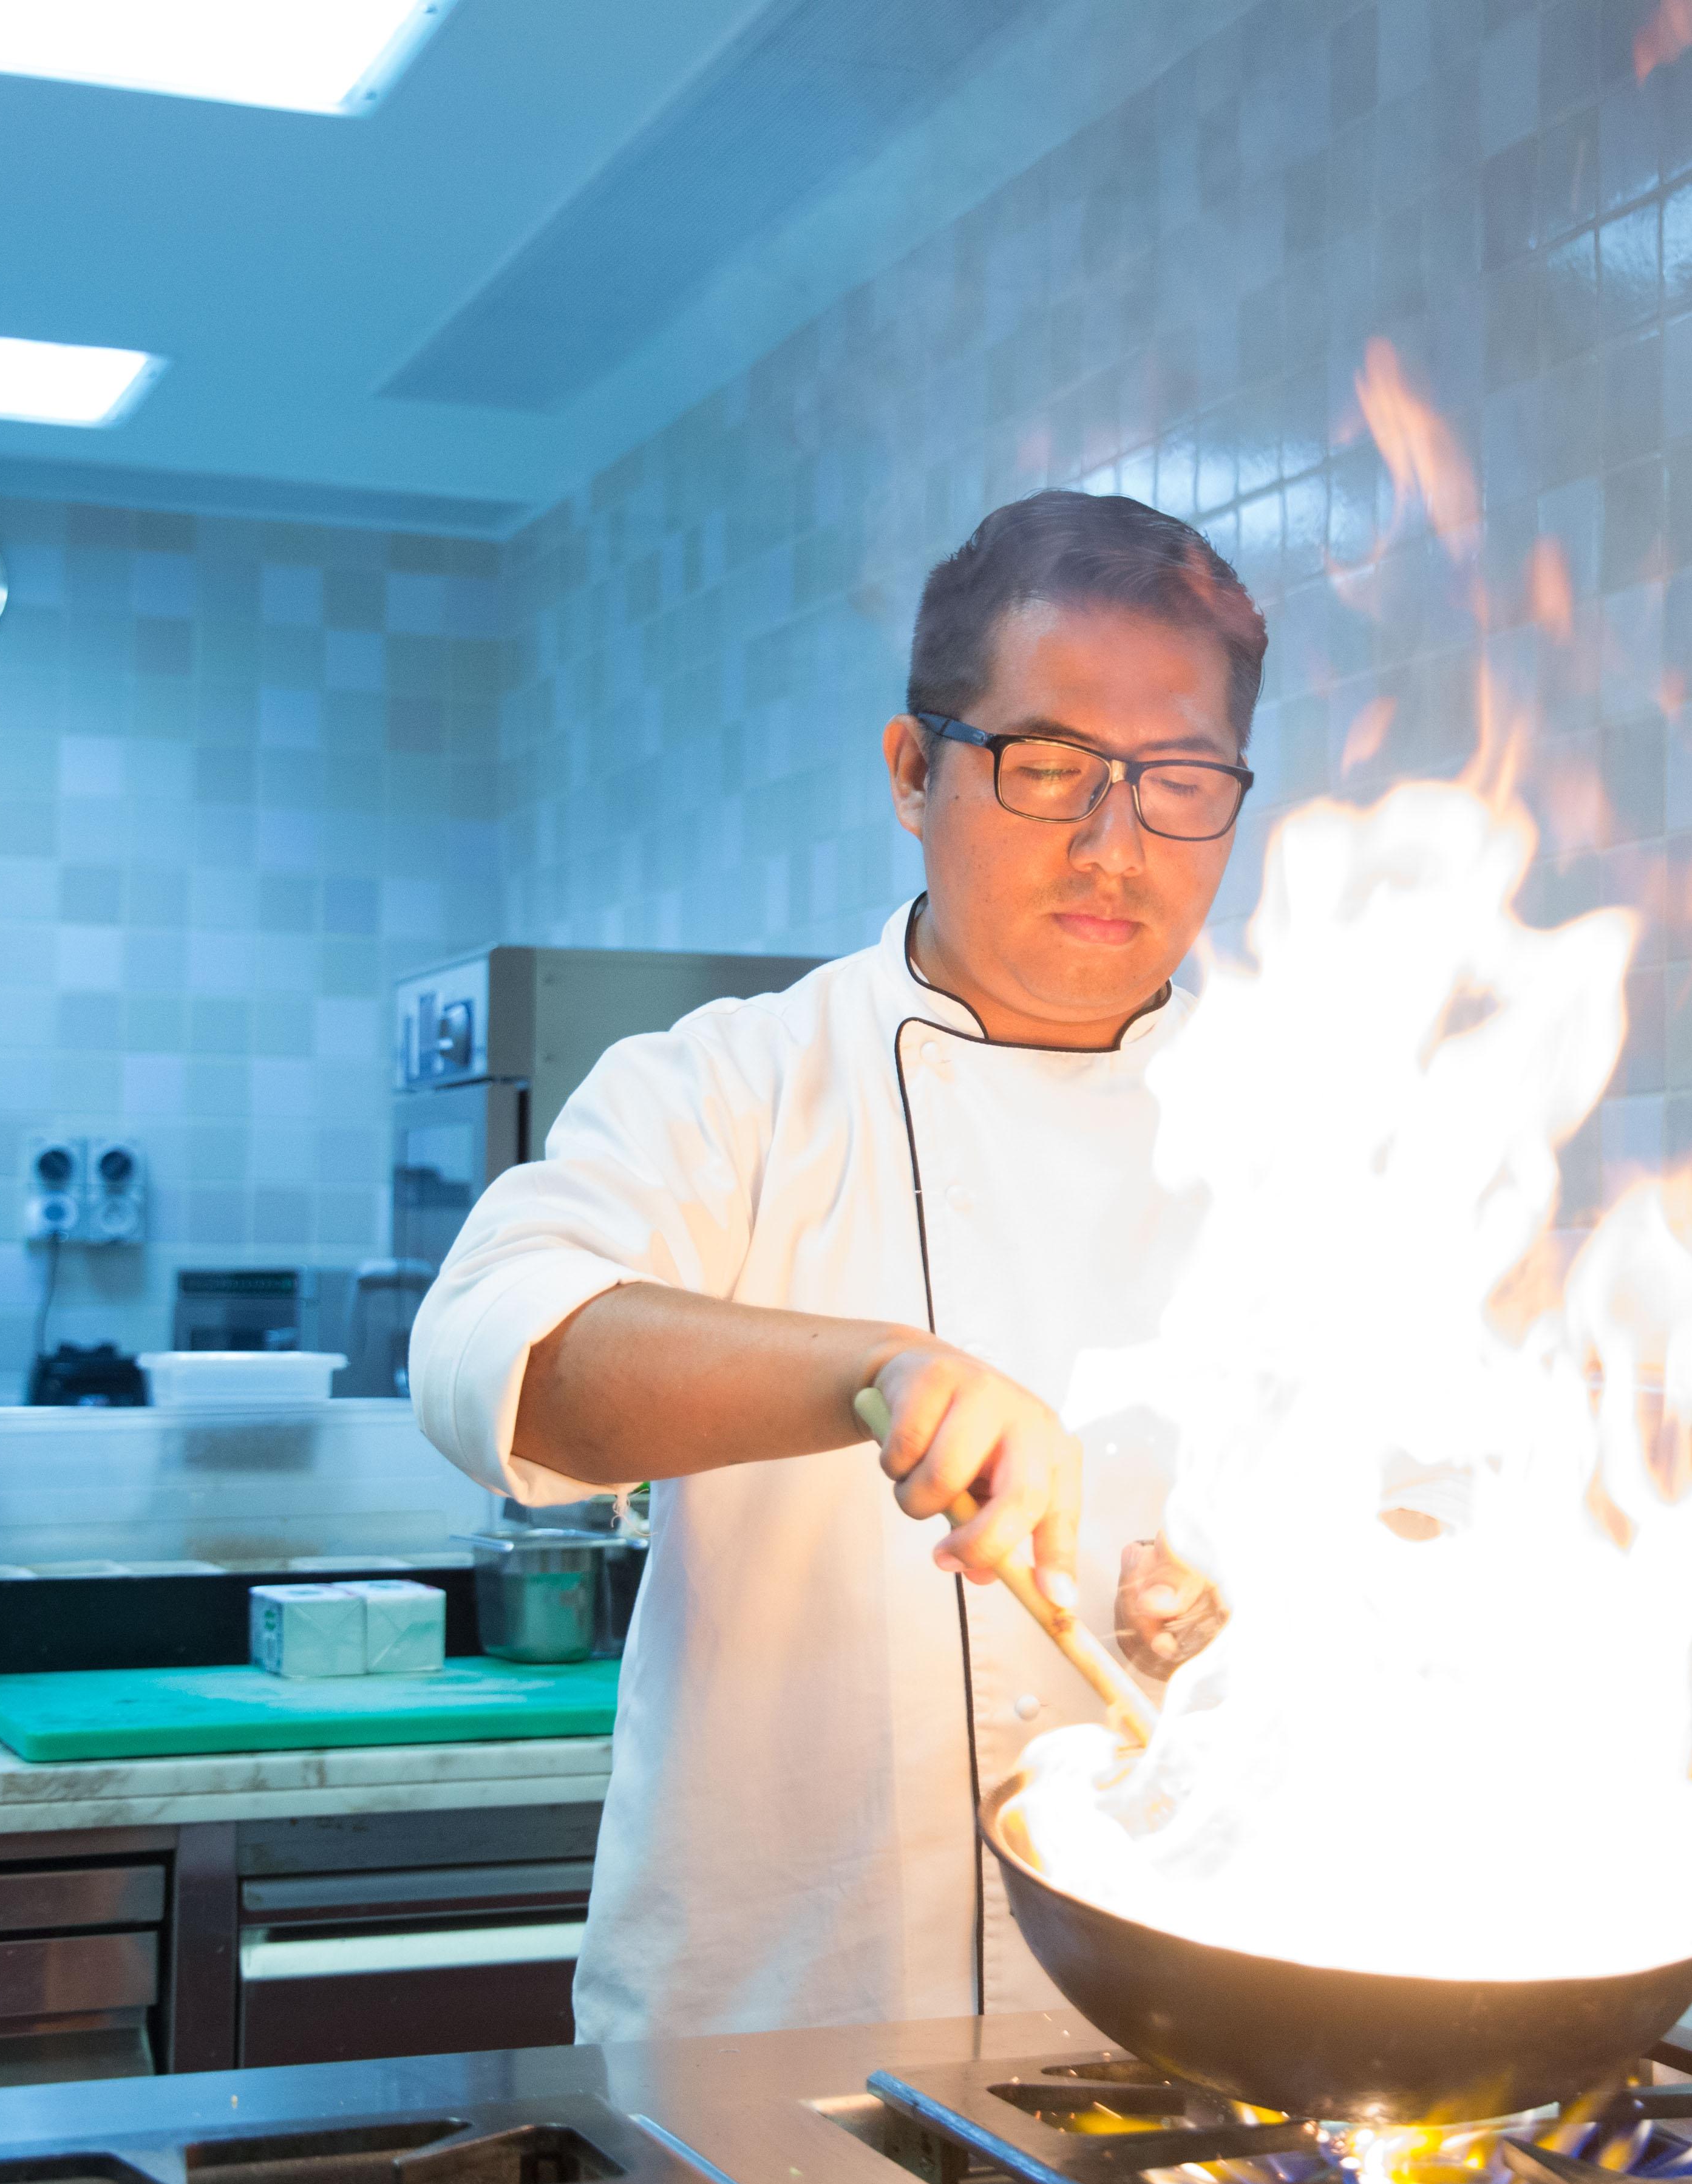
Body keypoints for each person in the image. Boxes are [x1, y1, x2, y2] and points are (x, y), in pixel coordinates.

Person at [412, 491, 1251, 2043]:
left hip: (1201, 2071)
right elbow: (491, 1357)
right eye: (1049, 766)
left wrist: (1255, 1598)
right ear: (913, 771)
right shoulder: (740, 1086)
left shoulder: (1314, 1132)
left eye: (1179, 783)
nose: (1111, 842)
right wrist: (877, 1372)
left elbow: (1441, 1540)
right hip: (782, 2053)